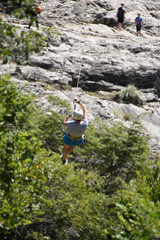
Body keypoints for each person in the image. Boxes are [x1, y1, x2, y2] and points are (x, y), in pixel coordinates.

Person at [61, 97, 88, 165]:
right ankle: (65, 155)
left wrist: (70, 116)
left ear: (74, 117)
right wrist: (78, 102)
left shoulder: (70, 124)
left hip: (68, 139)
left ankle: (64, 159)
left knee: (65, 148)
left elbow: (65, 122)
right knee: (72, 145)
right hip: (79, 141)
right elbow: (84, 110)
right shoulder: (85, 123)